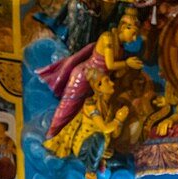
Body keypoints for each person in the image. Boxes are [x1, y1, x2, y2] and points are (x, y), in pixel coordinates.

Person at [36, 8, 143, 138]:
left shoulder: (120, 48)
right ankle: (51, 135)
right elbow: (109, 64)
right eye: (133, 33)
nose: (134, 38)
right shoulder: (107, 37)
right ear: (124, 27)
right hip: (84, 76)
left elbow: (113, 71)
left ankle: (67, 140)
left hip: (98, 82)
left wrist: (126, 69)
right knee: (68, 108)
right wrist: (127, 63)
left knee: (82, 113)